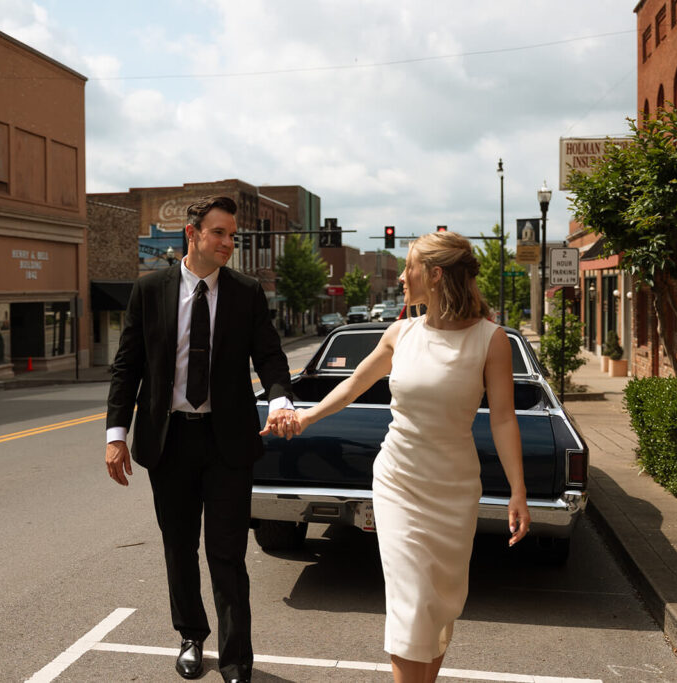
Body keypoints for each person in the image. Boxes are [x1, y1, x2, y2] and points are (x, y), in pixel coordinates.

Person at [287, 231, 531, 683]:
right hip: (399, 482)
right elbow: (352, 385)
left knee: (440, 603)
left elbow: (503, 420)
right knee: (411, 602)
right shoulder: (400, 333)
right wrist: (305, 418)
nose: (401, 276)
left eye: (410, 266)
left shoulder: (491, 340)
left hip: (455, 490)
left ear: (435, 275)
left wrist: (518, 490)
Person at [105, 195, 296, 683]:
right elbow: (127, 367)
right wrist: (115, 434)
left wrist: (280, 400)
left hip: (227, 442)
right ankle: (191, 636)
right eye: (220, 233)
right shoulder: (149, 290)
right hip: (168, 442)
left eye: (233, 235)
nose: (229, 243)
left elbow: (271, 358)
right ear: (191, 234)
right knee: (179, 547)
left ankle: (236, 659)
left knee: (227, 552)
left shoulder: (246, 293)